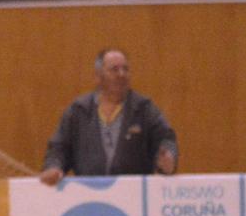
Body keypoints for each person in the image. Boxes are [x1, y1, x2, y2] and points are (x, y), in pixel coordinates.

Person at [40, 48, 178, 186]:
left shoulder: (144, 108)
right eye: (114, 69)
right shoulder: (79, 111)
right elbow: (58, 148)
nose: (121, 74)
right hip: (87, 196)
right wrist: (54, 167)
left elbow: (166, 140)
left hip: (133, 196)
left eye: (125, 69)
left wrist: (168, 158)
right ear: (98, 76)